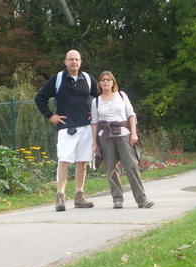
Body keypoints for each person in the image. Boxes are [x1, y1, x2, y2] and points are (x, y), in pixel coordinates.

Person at [35, 49, 98, 211]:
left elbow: (100, 97)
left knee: (82, 162)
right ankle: (60, 197)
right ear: (65, 61)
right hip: (66, 128)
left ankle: (79, 196)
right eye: (71, 59)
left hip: (85, 127)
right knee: (63, 161)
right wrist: (50, 116)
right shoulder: (58, 79)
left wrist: (95, 111)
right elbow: (40, 98)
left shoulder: (88, 79)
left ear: (80, 62)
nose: (74, 62)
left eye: (76, 59)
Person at [91, 70, 154, 209]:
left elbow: (131, 115)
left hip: (124, 135)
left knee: (131, 167)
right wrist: (95, 143)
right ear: (99, 84)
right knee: (111, 170)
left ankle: (142, 199)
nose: (106, 82)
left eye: (108, 79)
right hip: (105, 138)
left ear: (113, 82)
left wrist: (134, 134)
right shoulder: (95, 101)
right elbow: (94, 123)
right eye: (103, 80)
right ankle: (117, 199)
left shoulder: (121, 95)